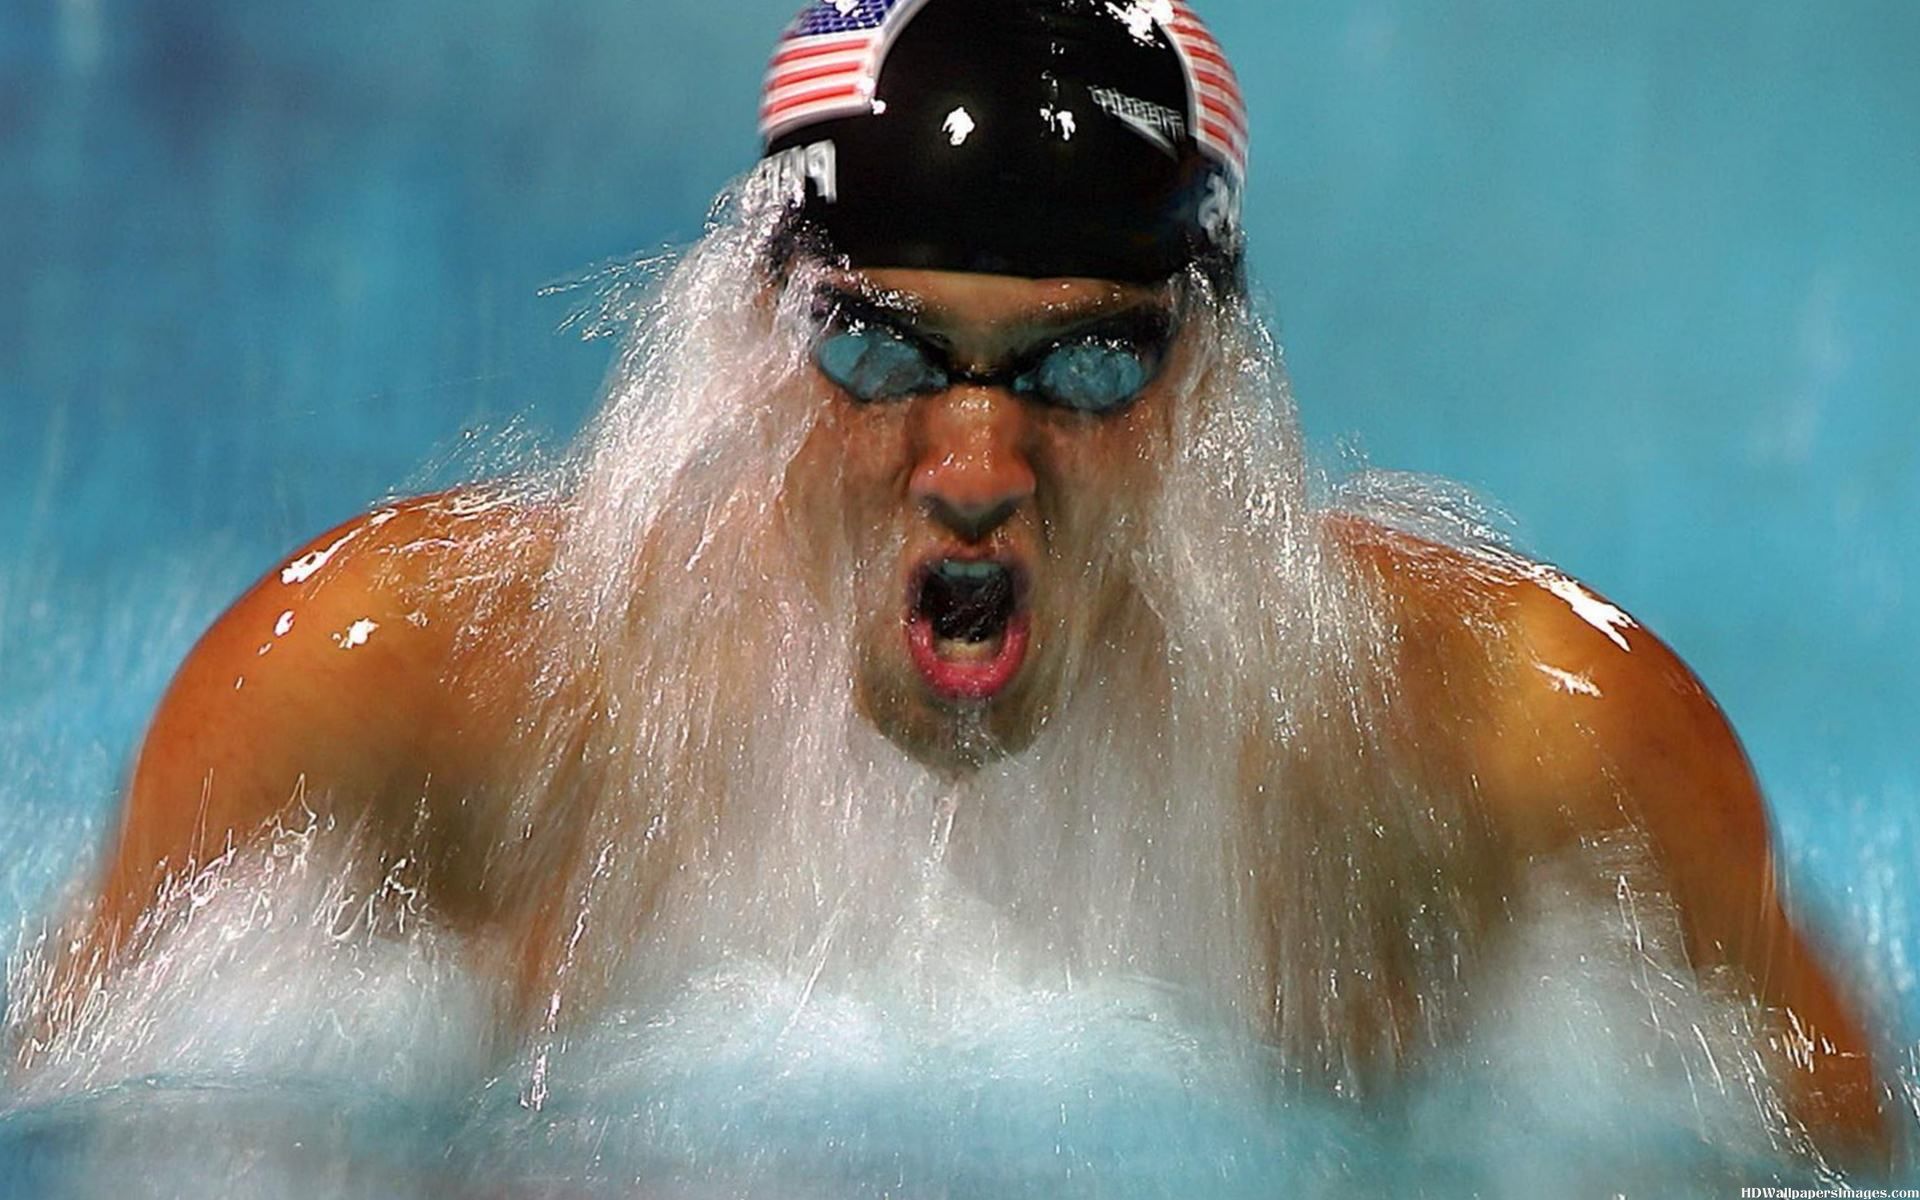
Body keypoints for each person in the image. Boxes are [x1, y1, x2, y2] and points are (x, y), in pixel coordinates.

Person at [18, 0, 1890, 1170]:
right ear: (744, 355)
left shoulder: (1529, 758)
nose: (980, 465)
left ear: (1213, 397)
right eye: (880, 351)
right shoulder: (383, 706)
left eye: (1087, 366)